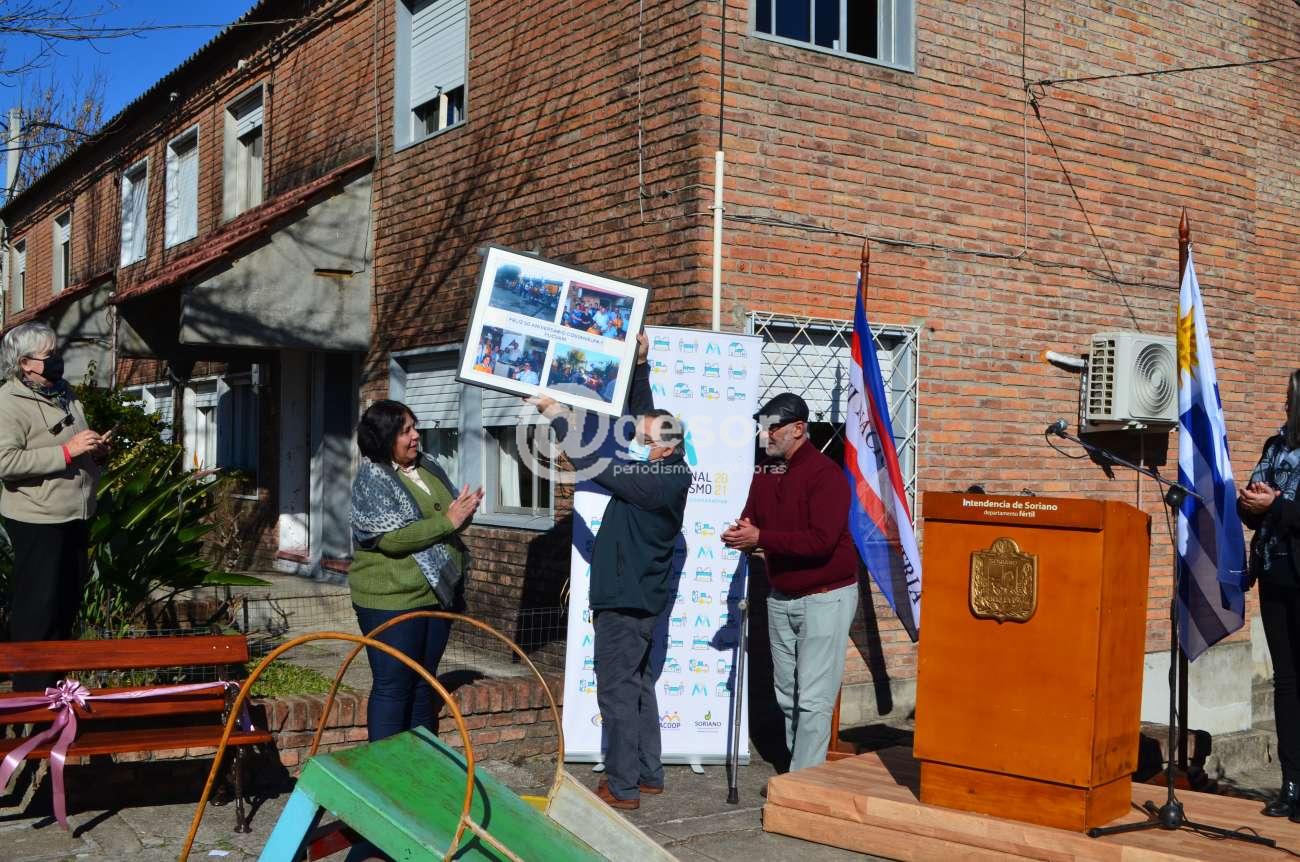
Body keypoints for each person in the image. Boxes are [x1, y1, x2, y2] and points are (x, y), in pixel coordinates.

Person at [531, 333, 690, 810]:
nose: (637, 443)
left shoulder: (655, 482)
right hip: (637, 600)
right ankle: (648, 774)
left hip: (625, 603)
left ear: (664, 450)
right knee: (638, 688)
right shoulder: (666, 469)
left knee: (618, 695)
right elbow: (645, 419)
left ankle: (622, 788)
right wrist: (640, 367)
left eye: (646, 442)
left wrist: (555, 412)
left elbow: (591, 461)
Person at [722, 392, 859, 772]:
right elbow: (752, 519)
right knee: (786, 695)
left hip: (825, 597)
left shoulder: (826, 475)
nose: (765, 434)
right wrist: (741, 533)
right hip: (781, 595)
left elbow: (822, 541)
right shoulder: (765, 472)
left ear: (799, 428)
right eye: (763, 427)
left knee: (813, 698)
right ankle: (799, 775)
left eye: (773, 427)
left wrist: (761, 538)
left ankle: (801, 782)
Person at [350, 400, 484, 741]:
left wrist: (463, 513)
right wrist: (448, 521)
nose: (415, 436)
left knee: (425, 682)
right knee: (394, 685)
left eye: (415, 427)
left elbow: (447, 521)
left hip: (436, 592)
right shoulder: (372, 478)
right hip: (391, 597)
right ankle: (384, 764)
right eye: (405, 431)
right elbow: (391, 540)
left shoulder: (429, 466)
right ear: (384, 438)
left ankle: (423, 760)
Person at [0, 322, 109, 691]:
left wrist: (97, 451)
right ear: (26, 363)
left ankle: (57, 692)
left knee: (65, 607)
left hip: (76, 515)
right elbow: (5, 463)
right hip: (37, 519)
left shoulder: (65, 393)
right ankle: (29, 696)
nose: (57, 359)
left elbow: (78, 446)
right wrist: (66, 451)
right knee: (38, 610)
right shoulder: (7, 402)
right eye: (49, 355)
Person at [1240, 369, 1300, 820]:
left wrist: (1276, 504)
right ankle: (1291, 784)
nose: (1284, 405)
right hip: (1274, 573)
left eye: (1290, 398)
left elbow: (1284, 509)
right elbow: (1254, 512)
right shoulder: (1274, 446)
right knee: (1286, 682)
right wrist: (1251, 501)